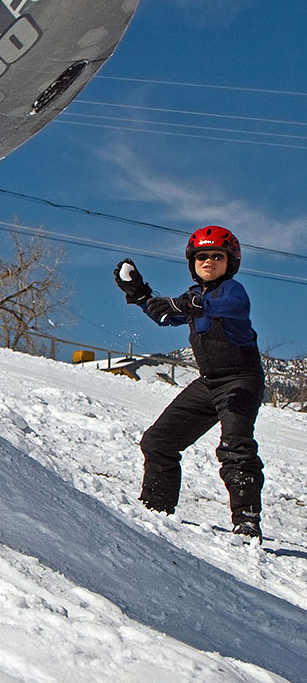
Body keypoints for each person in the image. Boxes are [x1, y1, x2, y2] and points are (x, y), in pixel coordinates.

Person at [113, 225, 266, 541]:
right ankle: (157, 509)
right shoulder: (194, 296)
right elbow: (165, 315)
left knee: (235, 445)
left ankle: (247, 522)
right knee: (158, 441)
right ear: (192, 263)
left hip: (241, 381)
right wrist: (140, 294)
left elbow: (237, 308)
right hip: (208, 384)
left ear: (230, 262)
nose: (208, 262)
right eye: (201, 257)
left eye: (216, 256)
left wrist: (192, 306)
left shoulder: (231, 291)